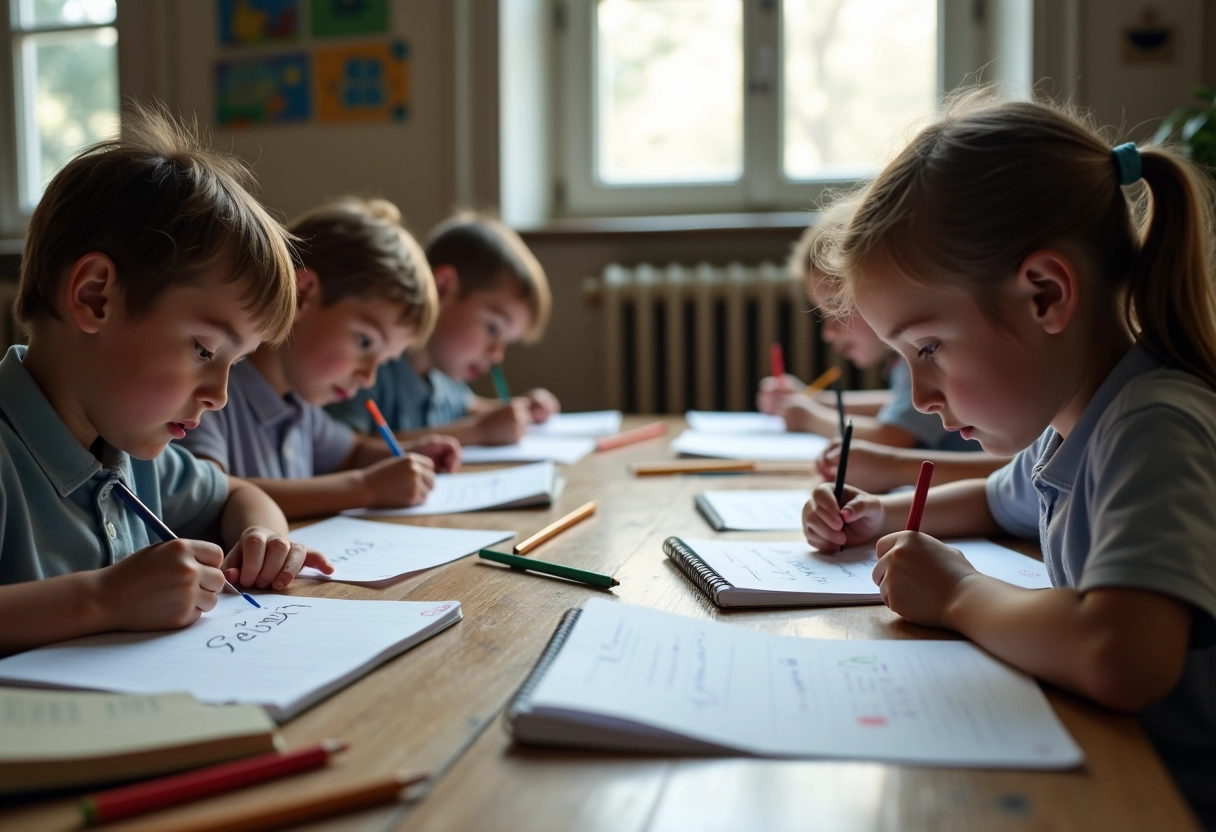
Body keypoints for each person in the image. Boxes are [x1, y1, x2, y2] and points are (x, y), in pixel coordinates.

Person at [801, 91, 1216, 825]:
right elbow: (996, 499)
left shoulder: (1153, 426)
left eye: (928, 348)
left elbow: (1122, 654)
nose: (921, 393)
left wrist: (958, 594)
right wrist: (878, 516)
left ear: (1045, 295)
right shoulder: (1076, 424)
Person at [0, 105, 331, 656]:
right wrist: (103, 598)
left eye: (237, 363)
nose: (220, 395)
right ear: (94, 297)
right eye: (204, 348)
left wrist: (263, 537)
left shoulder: (130, 450)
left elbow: (238, 494)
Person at [177, 197, 461, 520]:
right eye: (365, 342)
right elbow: (211, 496)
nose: (368, 377)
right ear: (304, 294)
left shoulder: (298, 406)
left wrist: (413, 454)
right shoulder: (212, 394)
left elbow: (352, 452)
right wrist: (366, 488)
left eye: (383, 362)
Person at [759, 215, 1005, 492]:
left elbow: (893, 436)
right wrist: (813, 400)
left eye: (837, 310)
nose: (828, 332)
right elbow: (896, 405)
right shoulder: (916, 357)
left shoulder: (931, 355)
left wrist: (809, 416)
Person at [327, 212, 558, 446]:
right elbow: (346, 449)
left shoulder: (442, 379)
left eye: (507, 341)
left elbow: (471, 407)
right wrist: (477, 432)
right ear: (443, 287)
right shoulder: (369, 368)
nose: (497, 354)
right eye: (492, 328)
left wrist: (525, 409)